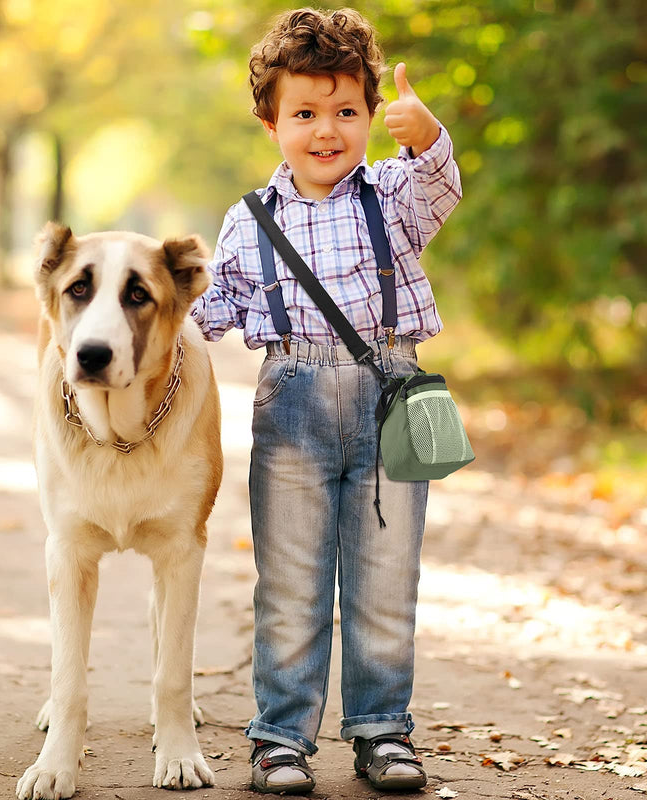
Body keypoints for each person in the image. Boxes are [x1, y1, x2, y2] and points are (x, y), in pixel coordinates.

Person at [191, 6, 461, 794]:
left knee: (384, 580)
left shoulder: (394, 195)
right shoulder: (247, 224)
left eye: (347, 112)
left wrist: (427, 134)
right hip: (293, 403)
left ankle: (383, 732)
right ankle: (280, 739)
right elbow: (204, 318)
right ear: (269, 118)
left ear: (371, 116)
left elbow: (442, 182)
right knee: (291, 583)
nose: (326, 131)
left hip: (390, 394)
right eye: (304, 113)